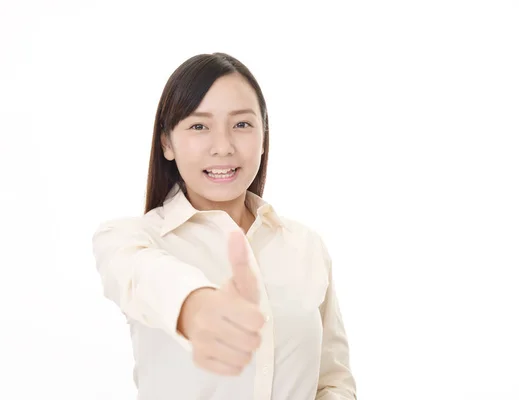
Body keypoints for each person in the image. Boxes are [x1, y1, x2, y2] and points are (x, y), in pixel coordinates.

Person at [92, 52, 357, 400]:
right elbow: (145, 275)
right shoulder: (130, 239)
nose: (223, 147)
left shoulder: (304, 245)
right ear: (167, 143)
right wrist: (195, 307)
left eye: (242, 124)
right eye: (199, 126)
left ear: (264, 136)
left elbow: (333, 381)